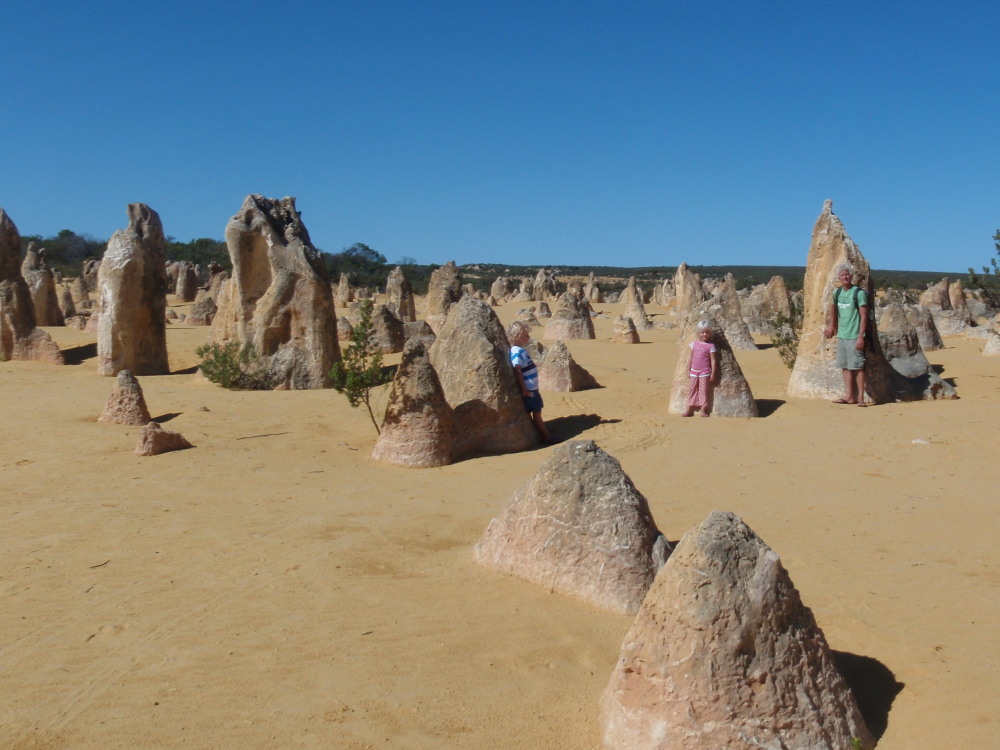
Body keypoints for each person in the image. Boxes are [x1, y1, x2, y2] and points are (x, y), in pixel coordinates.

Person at [823, 262, 869, 406]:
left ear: (851, 276)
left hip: (854, 335)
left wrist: (861, 336)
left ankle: (860, 398)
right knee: (845, 367)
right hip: (842, 335)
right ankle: (849, 396)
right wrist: (832, 325)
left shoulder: (859, 293)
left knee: (858, 367)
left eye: (847, 274)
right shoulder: (836, 293)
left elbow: (864, 315)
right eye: (842, 275)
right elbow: (833, 309)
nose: (845, 277)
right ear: (839, 278)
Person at [507, 321, 555, 443]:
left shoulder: (520, 350)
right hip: (529, 390)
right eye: (525, 335)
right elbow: (517, 369)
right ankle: (547, 437)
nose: (528, 337)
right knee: (537, 414)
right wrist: (524, 389)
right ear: (517, 336)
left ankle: (538, 433)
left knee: (534, 412)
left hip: (532, 388)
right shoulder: (516, 351)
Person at [683, 319, 719, 417]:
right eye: (702, 332)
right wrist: (688, 370)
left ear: (710, 333)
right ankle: (689, 409)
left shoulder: (711, 346)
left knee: (703, 390)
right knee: (692, 389)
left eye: (707, 332)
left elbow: (713, 360)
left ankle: (703, 409)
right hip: (694, 371)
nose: (704, 334)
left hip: (705, 372)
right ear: (698, 333)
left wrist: (713, 373)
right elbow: (689, 358)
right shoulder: (693, 344)